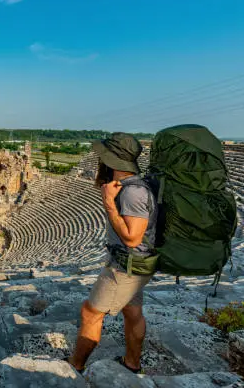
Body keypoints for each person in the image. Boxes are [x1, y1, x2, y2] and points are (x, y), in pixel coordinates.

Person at [67, 132, 158, 374]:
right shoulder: (132, 186)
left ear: (113, 159)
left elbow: (131, 237)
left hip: (125, 267)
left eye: (104, 156)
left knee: (90, 313)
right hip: (138, 264)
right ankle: (132, 363)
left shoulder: (132, 192)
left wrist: (108, 202)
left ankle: (74, 367)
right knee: (132, 311)